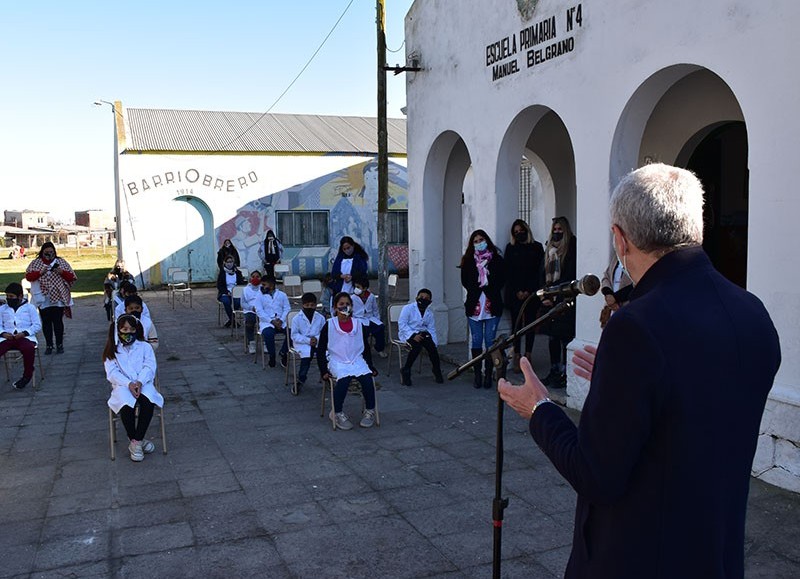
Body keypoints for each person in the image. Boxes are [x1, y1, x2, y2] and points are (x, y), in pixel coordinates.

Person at [498, 164, 781, 579]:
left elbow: (597, 476)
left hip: (641, 556)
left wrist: (540, 410)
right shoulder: (752, 312)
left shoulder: (635, 326)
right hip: (714, 554)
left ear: (620, 239)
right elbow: (703, 405)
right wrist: (624, 383)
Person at [103, 314, 164, 462]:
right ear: (118, 330)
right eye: (124, 329)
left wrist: (139, 382)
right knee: (126, 405)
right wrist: (128, 383)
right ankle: (137, 441)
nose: (128, 332)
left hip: (143, 383)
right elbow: (112, 373)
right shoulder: (112, 350)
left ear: (136, 330)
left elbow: (149, 366)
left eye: (131, 329)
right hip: (122, 386)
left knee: (148, 403)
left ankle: (136, 441)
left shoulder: (145, 347)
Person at [317, 292, 378, 430]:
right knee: (343, 381)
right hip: (337, 360)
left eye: (348, 304)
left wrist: (371, 366)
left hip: (356, 360)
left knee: (367, 380)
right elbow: (320, 349)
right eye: (341, 304)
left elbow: (365, 348)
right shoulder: (329, 324)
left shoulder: (358, 324)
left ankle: (369, 411)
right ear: (335, 307)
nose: (345, 307)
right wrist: (323, 371)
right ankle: (337, 413)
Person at [460, 229, 505, 389]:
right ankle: (477, 373)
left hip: (492, 305)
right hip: (474, 306)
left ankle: (488, 374)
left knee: (490, 340)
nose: (479, 243)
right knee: (477, 339)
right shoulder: (468, 261)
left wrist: (488, 284)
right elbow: (465, 281)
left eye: (482, 239)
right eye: (476, 241)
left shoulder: (496, 260)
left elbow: (501, 280)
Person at [540, 216, 577, 388]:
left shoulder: (572, 246)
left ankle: (565, 373)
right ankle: (554, 370)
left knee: (564, 338)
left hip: (565, 298)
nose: (557, 232)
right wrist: (545, 295)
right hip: (550, 300)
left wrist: (554, 291)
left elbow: (570, 274)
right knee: (552, 339)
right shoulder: (549, 248)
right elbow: (542, 272)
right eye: (555, 229)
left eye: (560, 229)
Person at [504, 219, 544, 373]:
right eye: (516, 231)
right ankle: (517, 355)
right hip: (515, 293)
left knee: (530, 325)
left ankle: (528, 355)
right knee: (516, 326)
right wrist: (518, 290)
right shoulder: (511, 248)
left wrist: (529, 290)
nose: (519, 233)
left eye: (521, 230)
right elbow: (508, 272)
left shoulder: (537, 247)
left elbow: (539, 271)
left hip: (531, 292)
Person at [25, 241, 76, 355]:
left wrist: (61, 272)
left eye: (51, 252)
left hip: (58, 297)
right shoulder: (36, 263)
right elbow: (28, 276)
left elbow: (71, 277)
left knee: (58, 321)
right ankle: (49, 345)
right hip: (43, 298)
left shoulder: (61, 262)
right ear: (42, 252)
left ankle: (59, 344)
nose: (49, 254)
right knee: (46, 322)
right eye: (46, 252)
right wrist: (40, 273)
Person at [398, 288, 443, 386]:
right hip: (408, 333)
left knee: (432, 349)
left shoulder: (429, 313)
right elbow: (402, 324)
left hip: (423, 334)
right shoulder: (408, 308)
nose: (423, 299)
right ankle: (406, 369)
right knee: (416, 348)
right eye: (421, 297)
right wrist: (413, 335)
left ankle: (436, 370)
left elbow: (431, 329)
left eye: (426, 298)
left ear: (430, 302)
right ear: (416, 298)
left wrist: (434, 342)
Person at [0, 282, 42, 389]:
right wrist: (4, 333)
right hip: (7, 338)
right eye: (7, 296)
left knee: (28, 349)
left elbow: (37, 325)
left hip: (24, 337)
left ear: (20, 296)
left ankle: (27, 375)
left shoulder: (30, 308)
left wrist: (24, 333)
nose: (9, 299)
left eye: (11, 297)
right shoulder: (2, 309)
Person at [289, 292, 326, 390]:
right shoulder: (297, 319)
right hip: (302, 344)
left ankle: (326, 377)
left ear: (315, 305)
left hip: (317, 342)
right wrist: (308, 340)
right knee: (306, 358)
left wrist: (316, 339)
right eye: (307, 305)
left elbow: (324, 333)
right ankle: (301, 380)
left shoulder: (320, 318)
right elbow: (294, 335)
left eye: (312, 305)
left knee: (325, 356)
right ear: (303, 305)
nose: (310, 307)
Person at [254, 275, 291, 368]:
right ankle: (272, 355)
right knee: (268, 334)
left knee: (291, 332)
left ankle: (283, 352)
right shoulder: (259, 296)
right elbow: (259, 311)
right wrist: (271, 321)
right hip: (267, 322)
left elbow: (287, 308)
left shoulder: (282, 295)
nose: (262, 287)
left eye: (264, 284)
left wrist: (281, 320)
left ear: (271, 284)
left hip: (281, 321)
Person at [351, 276, 387, 358]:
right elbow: (351, 311)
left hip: (370, 318)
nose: (356, 289)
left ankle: (379, 348)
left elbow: (375, 309)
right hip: (358, 319)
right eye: (355, 287)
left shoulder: (371, 297)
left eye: (358, 287)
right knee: (363, 332)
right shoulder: (352, 298)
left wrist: (377, 319)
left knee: (380, 328)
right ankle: (363, 351)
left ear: (365, 288)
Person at [599, 255, 634, 328]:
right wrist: (608, 293)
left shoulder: (636, 259)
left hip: (627, 307)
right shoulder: (616, 258)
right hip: (611, 307)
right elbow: (606, 277)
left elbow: (638, 284)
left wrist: (615, 298)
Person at [217, 255, 244, 328]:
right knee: (226, 302)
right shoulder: (222, 273)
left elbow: (241, 284)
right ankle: (233, 321)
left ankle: (231, 320)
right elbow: (219, 285)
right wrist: (226, 292)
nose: (229, 264)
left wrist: (235, 291)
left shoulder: (238, 273)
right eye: (228, 262)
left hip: (236, 293)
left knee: (237, 302)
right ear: (225, 263)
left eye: (231, 262)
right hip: (225, 293)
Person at [242, 270, 262, 354]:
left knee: (266, 322)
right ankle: (251, 342)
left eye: (257, 277)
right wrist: (251, 307)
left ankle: (265, 343)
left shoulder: (263, 288)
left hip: (262, 310)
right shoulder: (245, 289)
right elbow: (243, 303)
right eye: (253, 277)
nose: (255, 278)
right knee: (249, 321)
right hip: (250, 310)